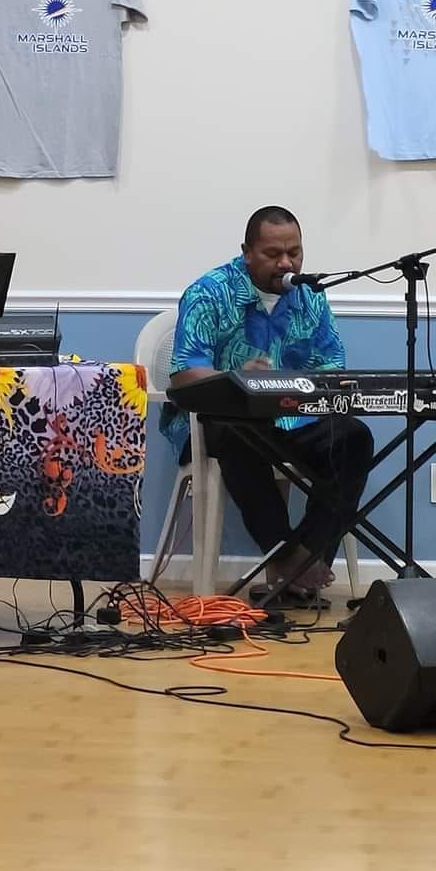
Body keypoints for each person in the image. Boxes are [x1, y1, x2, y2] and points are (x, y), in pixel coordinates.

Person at [163, 205, 374, 601]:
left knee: (354, 438)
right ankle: (286, 558)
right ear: (247, 252)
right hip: (221, 418)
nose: (285, 262)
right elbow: (185, 372)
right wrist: (239, 380)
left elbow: (332, 365)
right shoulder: (210, 292)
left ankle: (305, 558)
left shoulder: (310, 296)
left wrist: (303, 386)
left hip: (295, 417)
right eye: (273, 254)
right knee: (242, 436)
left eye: (294, 252)